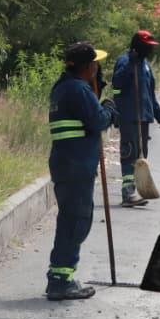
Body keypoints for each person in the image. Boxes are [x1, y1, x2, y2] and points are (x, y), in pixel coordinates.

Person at [46, 42, 117, 301]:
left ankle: (60, 276)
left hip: (65, 162)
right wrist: (109, 108)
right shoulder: (78, 89)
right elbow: (97, 120)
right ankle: (60, 281)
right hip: (76, 165)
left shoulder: (62, 88)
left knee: (70, 219)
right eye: (95, 64)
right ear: (88, 66)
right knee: (76, 221)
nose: (97, 69)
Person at [112, 29, 160, 207]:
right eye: (147, 47)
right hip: (129, 116)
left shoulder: (145, 65)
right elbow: (116, 86)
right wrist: (130, 66)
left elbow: (150, 93)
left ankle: (138, 189)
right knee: (130, 154)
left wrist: (159, 114)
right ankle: (127, 194)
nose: (150, 50)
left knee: (141, 156)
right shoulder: (125, 61)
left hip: (143, 117)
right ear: (138, 46)